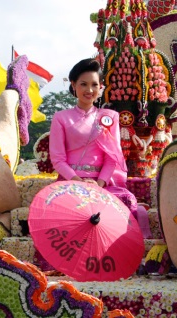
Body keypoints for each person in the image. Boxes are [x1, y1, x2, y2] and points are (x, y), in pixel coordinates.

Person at [49, 58, 151, 237]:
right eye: (83, 84)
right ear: (73, 85)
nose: (89, 90)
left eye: (94, 85)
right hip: (70, 183)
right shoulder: (61, 118)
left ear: (101, 87)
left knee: (126, 200)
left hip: (103, 184)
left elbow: (112, 157)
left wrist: (99, 184)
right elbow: (57, 160)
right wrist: (80, 183)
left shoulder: (110, 117)